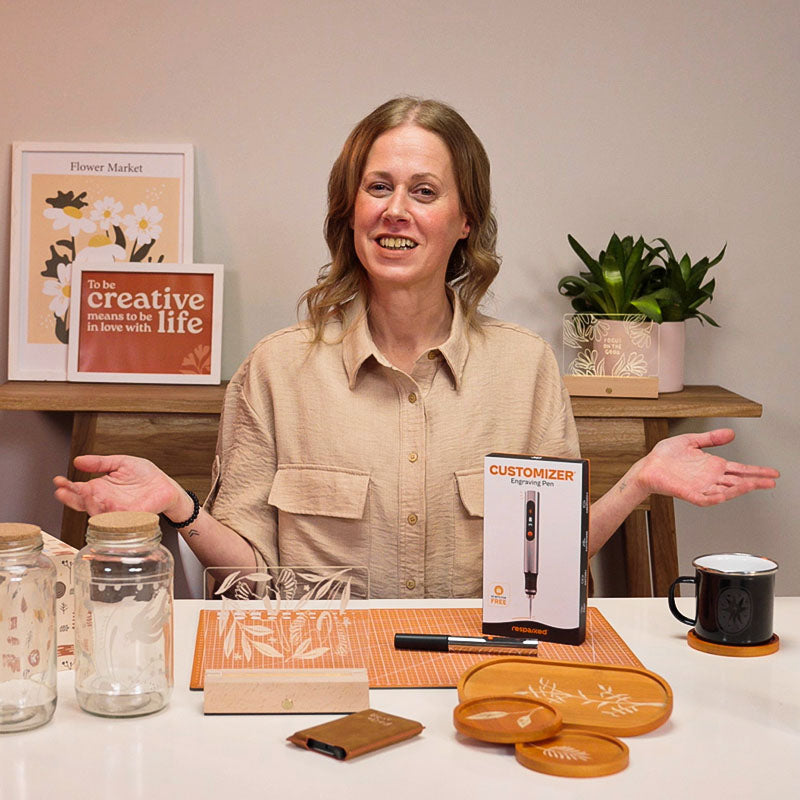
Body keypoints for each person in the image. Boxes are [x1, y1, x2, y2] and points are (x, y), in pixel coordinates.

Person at [53, 97, 779, 598]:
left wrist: (638, 481)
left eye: (425, 191)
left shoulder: (525, 369)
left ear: (466, 221)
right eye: (379, 187)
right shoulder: (275, 371)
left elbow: (546, 565)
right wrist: (179, 506)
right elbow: (249, 579)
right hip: (326, 682)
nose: (396, 210)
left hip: (479, 682)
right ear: (351, 212)